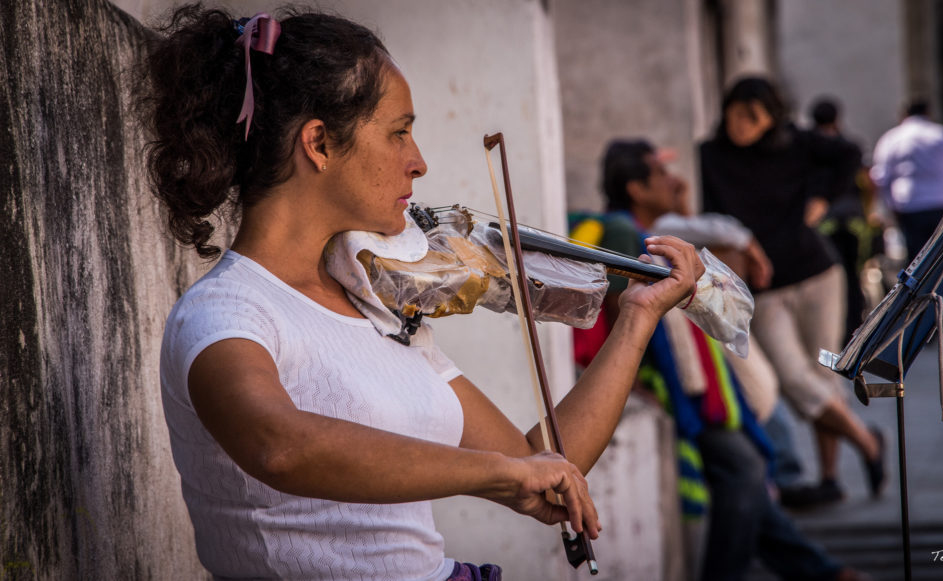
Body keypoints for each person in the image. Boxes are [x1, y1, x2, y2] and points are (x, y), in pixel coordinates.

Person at [139, 6, 705, 580]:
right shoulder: (225, 313)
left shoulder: (377, 307)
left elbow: (541, 464)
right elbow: (277, 445)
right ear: (319, 143)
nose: (419, 162)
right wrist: (495, 474)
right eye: (399, 132)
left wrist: (636, 317)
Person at [585, 138, 869, 581]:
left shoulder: (661, 233)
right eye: (660, 175)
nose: (674, 181)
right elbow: (623, 316)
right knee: (744, 470)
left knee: (746, 476)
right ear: (637, 189)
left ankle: (820, 571)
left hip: (698, 383)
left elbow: (721, 230)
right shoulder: (625, 235)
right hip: (681, 389)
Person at [699, 76, 885, 505]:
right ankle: (866, 440)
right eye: (736, 113)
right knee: (791, 376)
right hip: (762, 288)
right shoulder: (710, 156)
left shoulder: (796, 144)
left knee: (822, 373)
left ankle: (831, 478)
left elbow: (850, 152)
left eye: (754, 118)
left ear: (771, 120)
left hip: (818, 273)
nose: (742, 125)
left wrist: (821, 198)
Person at [870, 99, 943, 266]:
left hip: (909, 207)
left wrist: (886, 209)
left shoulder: (891, 138)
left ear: (903, 115)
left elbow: (880, 177)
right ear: (928, 113)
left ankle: (919, 292)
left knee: (917, 263)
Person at [808, 96, 874, 343]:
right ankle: (854, 334)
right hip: (854, 225)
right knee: (853, 279)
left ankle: (832, 333)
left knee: (828, 280)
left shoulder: (808, 149)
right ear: (837, 119)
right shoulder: (848, 147)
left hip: (822, 225)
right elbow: (868, 184)